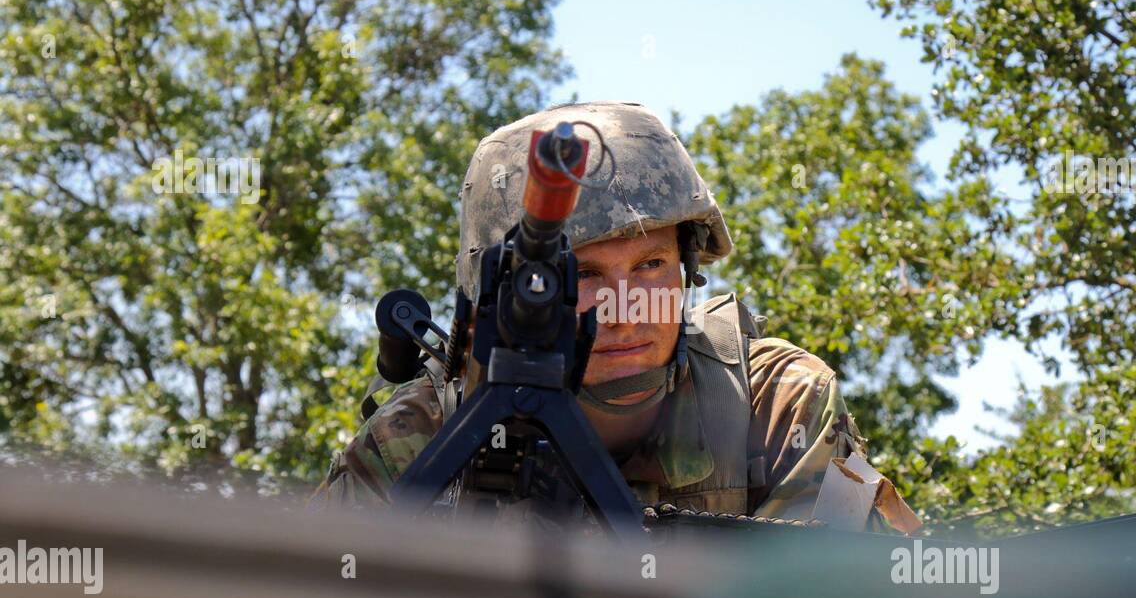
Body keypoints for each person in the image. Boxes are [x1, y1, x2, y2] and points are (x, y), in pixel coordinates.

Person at [312, 101, 920, 534]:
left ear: (688, 268)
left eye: (653, 263)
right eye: (583, 276)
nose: (627, 308)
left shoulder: (775, 406)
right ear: (498, 299)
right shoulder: (416, 444)